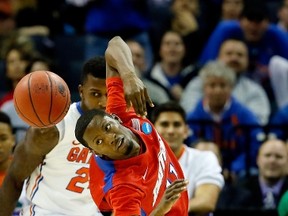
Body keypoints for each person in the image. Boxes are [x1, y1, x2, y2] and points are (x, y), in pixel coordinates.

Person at [75, 36, 189, 215]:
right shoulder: (124, 186)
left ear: (115, 119)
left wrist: (129, 76)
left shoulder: (121, 112)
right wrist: (161, 209)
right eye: (99, 141)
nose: (110, 139)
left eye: (107, 128)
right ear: (97, 152)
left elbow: (115, 44)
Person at [0, 56, 109, 215]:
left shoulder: (118, 129)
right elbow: (14, 179)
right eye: (96, 94)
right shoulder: (54, 127)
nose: (103, 102)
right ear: (81, 91)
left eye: (109, 93)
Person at [186, 60, 264, 176]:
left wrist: (235, 168)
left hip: (238, 173)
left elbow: (253, 145)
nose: (217, 90)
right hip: (201, 170)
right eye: (212, 85)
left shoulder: (244, 115)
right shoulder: (193, 117)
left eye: (222, 85)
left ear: (231, 88)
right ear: (204, 88)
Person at [151, 101, 224, 214]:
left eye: (177, 125)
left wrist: (162, 210)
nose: (171, 131)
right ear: (153, 130)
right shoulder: (142, 162)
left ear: (185, 131)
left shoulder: (205, 159)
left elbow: (206, 202)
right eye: (164, 124)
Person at [181, 39, 270, 125]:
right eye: (229, 54)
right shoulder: (197, 84)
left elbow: (258, 124)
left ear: (247, 61)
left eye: (240, 55)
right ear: (218, 57)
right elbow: (187, 117)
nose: (234, 58)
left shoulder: (254, 90)